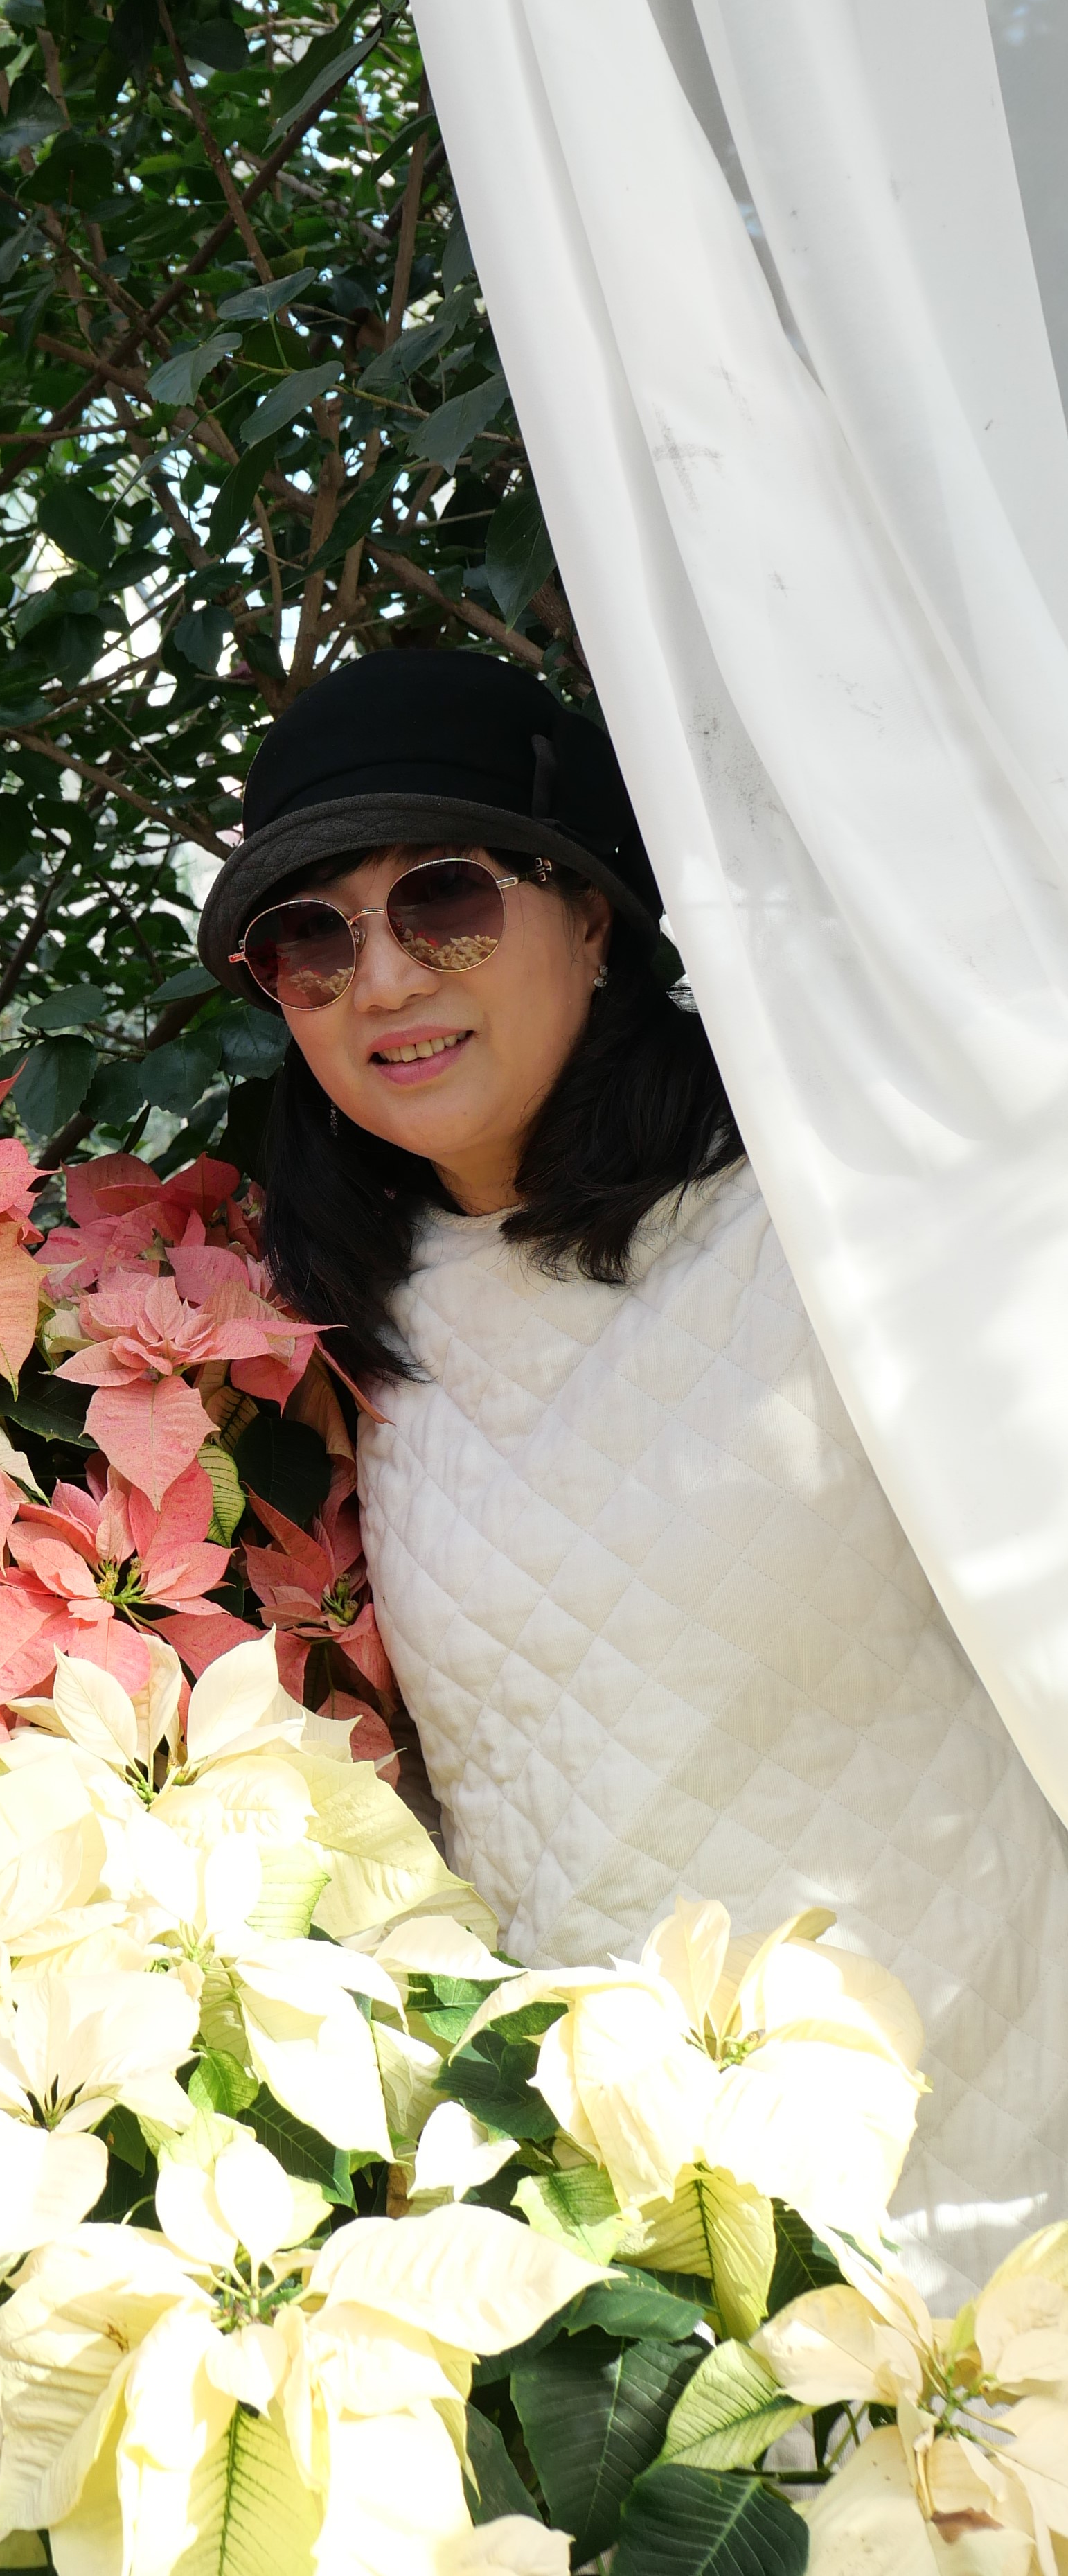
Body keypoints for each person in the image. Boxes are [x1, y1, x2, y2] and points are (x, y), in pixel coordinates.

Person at [199, 646, 1068, 2297]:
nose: (382, 980)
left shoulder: (837, 1227)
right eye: (310, 940)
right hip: (611, 2266)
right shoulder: (321, 1333)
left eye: (444, 901)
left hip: (992, 2207)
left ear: (590, 913)